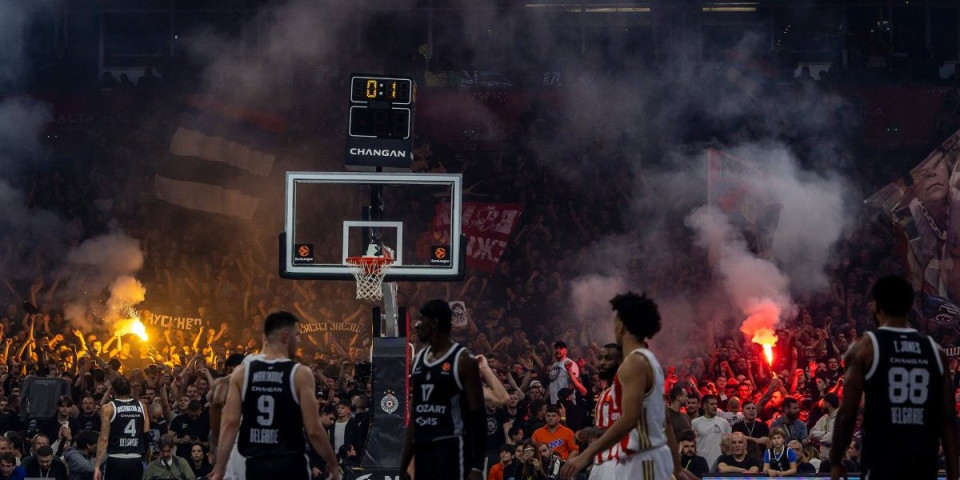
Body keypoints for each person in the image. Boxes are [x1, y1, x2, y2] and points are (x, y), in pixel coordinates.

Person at [830, 276, 959, 480]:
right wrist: (954, 474)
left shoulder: (865, 348)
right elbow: (948, 418)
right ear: (910, 307)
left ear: (876, 306)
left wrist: (836, 461)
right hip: (923, 463)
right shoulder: (935, 351)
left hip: (881, 462)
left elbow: (847, 412)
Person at [559, 292, 694, 480]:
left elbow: (630, 419)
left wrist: (586, 454)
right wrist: (677, 467)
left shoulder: (634, 363)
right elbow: (665, 420)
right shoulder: (650, 361)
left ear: (621, 325)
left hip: (639, 462)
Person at [209, 312, 339, 480]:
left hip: (256, 465)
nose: (299, 341)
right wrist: (332, 462)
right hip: (290, 463)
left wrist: (220, 468)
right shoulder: (299, 373)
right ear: (286, 336)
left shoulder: (242, 373)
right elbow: (313, 429)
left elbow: (230, 424)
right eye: (297, 335)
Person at [400, 299, 486, 480]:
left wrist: (477, 466)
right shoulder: (418, 360)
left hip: (451, 448)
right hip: (424, 450)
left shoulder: (463, 360)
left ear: (434, 322)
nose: (416, 325)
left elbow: (478, 418)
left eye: (420, 320)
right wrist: (403, 464)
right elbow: (416, 413)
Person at [573, 343, 622, 480]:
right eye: (600, 358)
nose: (601, 363)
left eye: (607, 358)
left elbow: (627, 429)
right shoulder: (605, 393)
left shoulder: (626, 390)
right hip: (601, 461)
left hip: (619, 462)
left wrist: (593, 433)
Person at [94, 376, 149, 480]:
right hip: (135, 459)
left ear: (113, 391)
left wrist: (97, 466)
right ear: (129, 390)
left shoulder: (108, 408)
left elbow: (104, 438)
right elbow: (146, 435)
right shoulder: (142, 406)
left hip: (116, 458)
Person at [691, 394, 730, 469]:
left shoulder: (724, 422)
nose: (715, 406)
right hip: (700, 464)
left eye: (716, 404)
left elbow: (729, 444)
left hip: (720, 465)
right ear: (704, 406)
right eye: (712, 404)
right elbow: (692, 444)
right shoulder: (695, 422)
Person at [808, 393, 839, 459]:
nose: (822, 404)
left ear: (828, 403)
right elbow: (811, 433)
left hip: (836, 458)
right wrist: (825, 433)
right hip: (823, 457)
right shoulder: (824, 418)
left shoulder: (840, 418)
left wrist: (818, 439)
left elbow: (830, 439)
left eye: (824, 401)